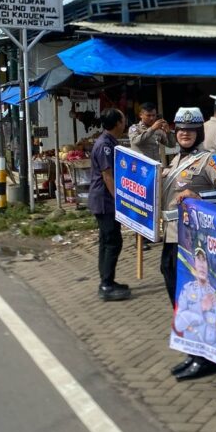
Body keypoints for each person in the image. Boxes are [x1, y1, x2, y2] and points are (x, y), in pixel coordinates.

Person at [161, 107, 216, 381]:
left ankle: (205, 359)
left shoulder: (209, 160)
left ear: (199, 132)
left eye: (190, 129)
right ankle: (194, 352)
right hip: (172, 236)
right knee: (178, 294)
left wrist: (201, 197)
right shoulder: (175, 159)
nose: (184, 133)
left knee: (193, 298)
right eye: (180, 128)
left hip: (195, 242)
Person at [88, 108, 130, 302]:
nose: (125, 123)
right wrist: (119, 200)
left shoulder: (108, 142)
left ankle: (108, 281)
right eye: (123, 120)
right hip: (105, 201)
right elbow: (107, 176)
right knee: (112, 241)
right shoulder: (105, 145)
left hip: (104, 200)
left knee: (107, 241)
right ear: (117, 123)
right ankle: (106, 284)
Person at [173, 247, 216, 355]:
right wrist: (201, 308)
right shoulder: (187, 289)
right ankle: (193, 357)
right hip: (191, 348)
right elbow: (178, 324)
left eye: (204, 260)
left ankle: (203, 361)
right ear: (194, 262)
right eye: (198, 259)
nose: (201, 265)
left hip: (209, 355)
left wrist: (211, 352)